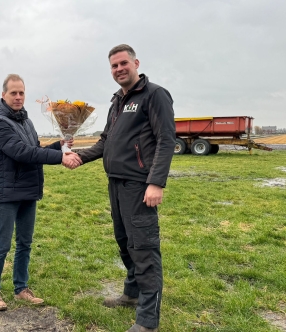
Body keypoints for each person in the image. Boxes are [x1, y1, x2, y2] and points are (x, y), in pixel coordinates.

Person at [76, 45, 175, 332]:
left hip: (139, 185)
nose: (119, 69)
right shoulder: (116, 102)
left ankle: (147, 320)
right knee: (125, 242)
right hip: (116, 183)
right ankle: (132, 294)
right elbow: (105, 141)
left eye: (123, 63)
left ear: (135, 63)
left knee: (143, 247)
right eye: (114, 66)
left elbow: (166, 140)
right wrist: (78, 157)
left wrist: (156, 182)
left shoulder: (154, 95)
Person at [0, 74, 81, 311]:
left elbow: (34, 150)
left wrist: (59, 145)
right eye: (13, 93)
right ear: (3, 95)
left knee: (25, 243)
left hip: (28, 190)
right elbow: (21, 153)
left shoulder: (25, 122)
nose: (18, 97)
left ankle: (21, 289)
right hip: (8, 193)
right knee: (3, 244)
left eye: (21, 93)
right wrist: (60, 157)